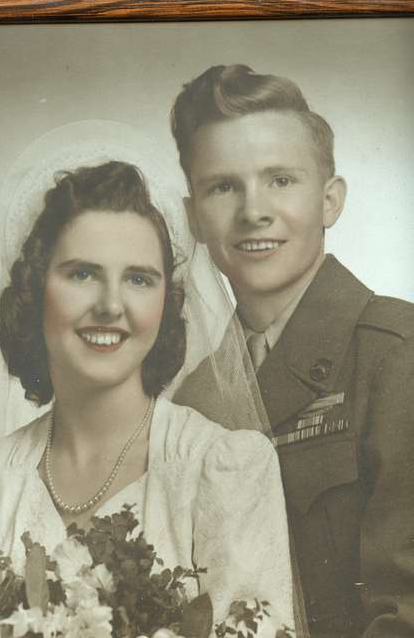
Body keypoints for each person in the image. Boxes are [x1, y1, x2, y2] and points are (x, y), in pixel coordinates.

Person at [0, 129, 294, 637]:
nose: (112, 305)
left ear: (165, 302)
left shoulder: (224, 469)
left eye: (138, 279)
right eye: (82, 274)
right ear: (34, 290)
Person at [171, 64, 414, 637]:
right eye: (223, 186)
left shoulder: (395, 357)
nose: (253, 210)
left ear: (331, 201)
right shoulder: (193, 397)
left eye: (281, 180)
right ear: (193, 218)